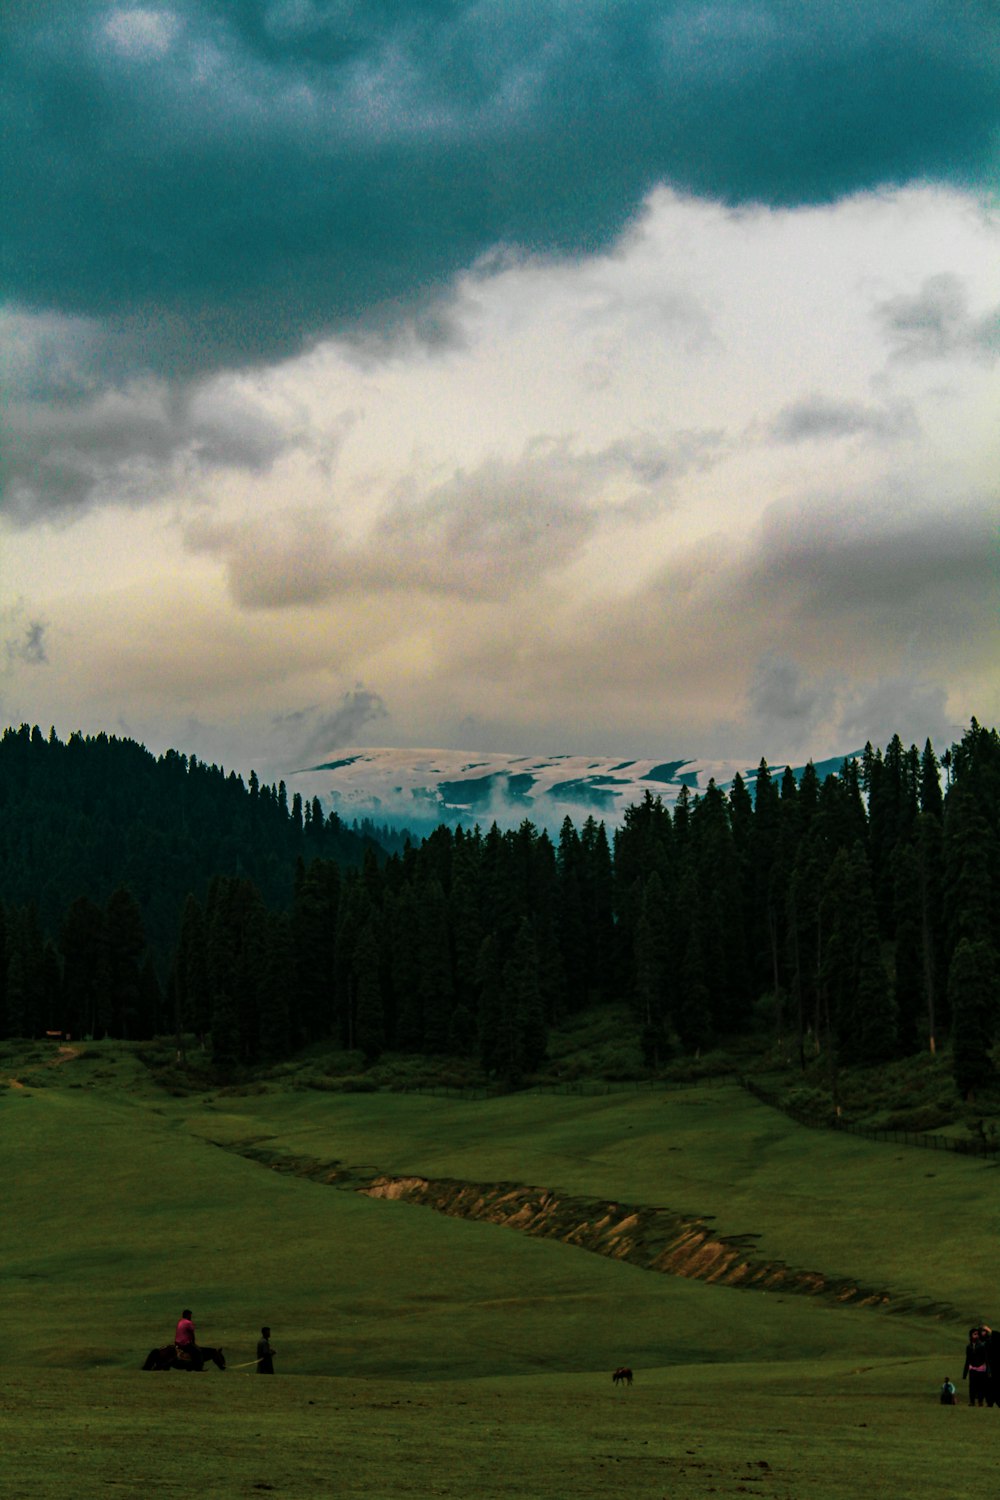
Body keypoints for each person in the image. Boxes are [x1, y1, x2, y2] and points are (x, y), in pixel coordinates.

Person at [963, 1326, 991, 1407]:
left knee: (981, 1387)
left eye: (978, 1334)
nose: (977, 1336)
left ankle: (980, 1402)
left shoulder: (982, 1346)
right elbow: (967, 1359)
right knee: (972, 1386)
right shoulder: (968, 1347)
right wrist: (965, 1373)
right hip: (972, 1369)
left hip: (981, 1369)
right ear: (971, 1336)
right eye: (975, 1334)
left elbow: (986, 1359)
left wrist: (988, 1371)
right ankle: (972, 1402)